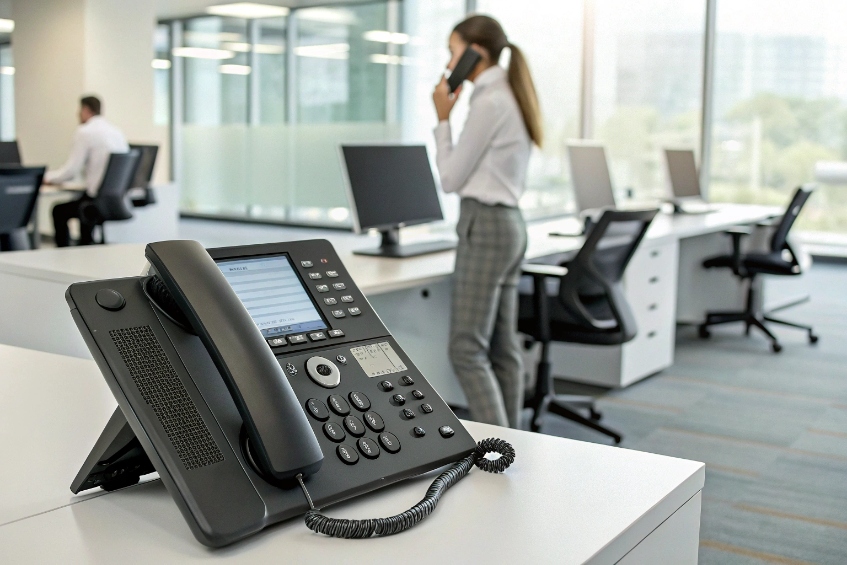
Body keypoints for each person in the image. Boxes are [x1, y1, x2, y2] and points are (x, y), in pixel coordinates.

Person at [432, 15, 543, 429]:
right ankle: (516, 441)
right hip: (510, 226)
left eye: (452, 51)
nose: (448, 62)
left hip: (486, 225)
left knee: (466, 350)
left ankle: (501, 452)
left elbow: (450, 178)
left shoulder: (489, 101)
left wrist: (443, 118)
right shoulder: (508, 94)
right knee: (502, 348)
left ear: (474, 53)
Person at [45, 96, 128, 246]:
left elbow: (71, 170)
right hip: (117, 200)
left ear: (85, 110)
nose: (78, 114)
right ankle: (86, 243)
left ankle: (62, 255)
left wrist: (48, 177)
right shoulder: (117, 132)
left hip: (96, 201)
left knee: (58, 210)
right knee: (83, 201)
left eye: (79, 110)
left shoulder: (85, 132)